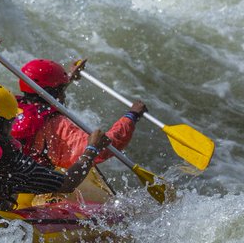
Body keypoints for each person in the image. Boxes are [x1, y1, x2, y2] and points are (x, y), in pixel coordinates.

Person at [0, 83, 111, 210]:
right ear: (4, 124)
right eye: (12, 121)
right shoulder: (10, 160)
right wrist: (92, 149)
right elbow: (67, 183)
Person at [10, 58, 146, 169]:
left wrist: (69, 77)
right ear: (53, 92)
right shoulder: (57, 126)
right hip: (35, 188)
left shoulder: (10, 105)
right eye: (61, 89)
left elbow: (46, 96)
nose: (64, 95)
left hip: (12, 176)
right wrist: (131, 116)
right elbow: (103, 149)